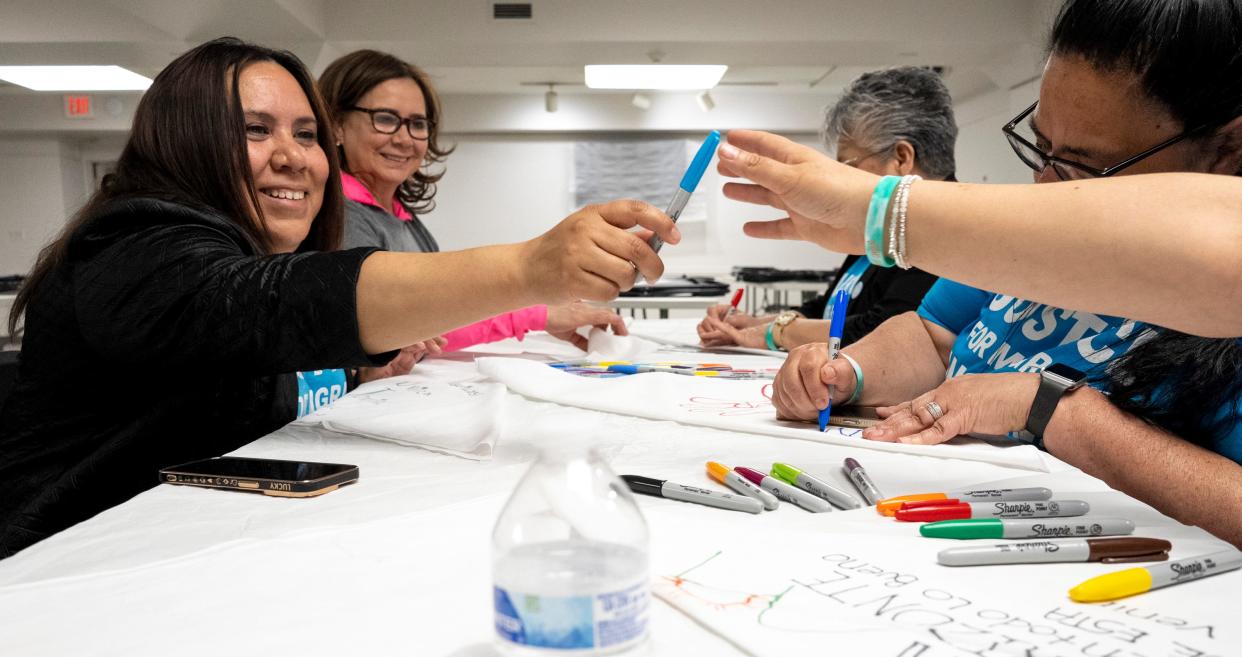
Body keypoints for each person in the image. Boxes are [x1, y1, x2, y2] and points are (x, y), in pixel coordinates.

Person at [0, 38, 676, 555]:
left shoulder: (231, 247)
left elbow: (233, 367)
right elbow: (261, 305)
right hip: (59, 566)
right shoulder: (132, 239)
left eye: (305, 134)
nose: (296, 157)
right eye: (255, 130)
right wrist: (531, 267)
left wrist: (356, 368)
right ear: (187, 142)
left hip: (169, 542)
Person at [721, 0, 1242, 545]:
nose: (1046, 186)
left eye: (1084, 165)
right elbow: (930, 335)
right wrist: (849, 371)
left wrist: (1048, 408)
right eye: (1039, 147)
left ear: (1226, 150)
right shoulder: (1024, 241)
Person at [320, 49, 626, 363]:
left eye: (418, 124)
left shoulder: (402, 217)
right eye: (385, 119)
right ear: (336, 126)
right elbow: (400, 330)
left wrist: (538, 315)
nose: (404, 138)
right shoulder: (343, 218)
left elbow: (437, 317)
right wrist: (532, 315)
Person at [697, 67, 953, 352]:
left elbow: (880, 332)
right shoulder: (882, 227)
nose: (840, 179)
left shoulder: (939, 239)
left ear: (901, 159)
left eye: (849, 167)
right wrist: (754, 324)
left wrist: (776, 332)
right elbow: (829, 309)